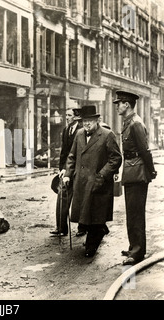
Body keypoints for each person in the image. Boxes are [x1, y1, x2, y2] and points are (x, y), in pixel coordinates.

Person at [63, 105, 122, 257]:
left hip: (98, 182)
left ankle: (91, 245)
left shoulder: (107, 135)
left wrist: (102, 175)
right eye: (84, 121)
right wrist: (68, 173)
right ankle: (99, 231)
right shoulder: (79, 134)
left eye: (90, 121)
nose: (87, 124)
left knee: (95, 214)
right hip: (81, 182)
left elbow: (116, 158)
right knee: (85, 216)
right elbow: (72, 156)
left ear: (97, 121)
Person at [113, 91, 157, 265]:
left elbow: (145, 150)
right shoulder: (129, 122)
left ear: (127, 104)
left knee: (136, 213)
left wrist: (151, 171)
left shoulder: (135, 123)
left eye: (119, 103)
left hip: (137, 173)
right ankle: (134, 247)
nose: (117, 106)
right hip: (132, 171)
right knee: (131, 212)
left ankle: (138, 252)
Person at [50, 107, 83, 237]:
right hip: (67, 169)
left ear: (75, 117)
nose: (67, 117)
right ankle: (61, 227)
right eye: (67, 115)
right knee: (62, 196)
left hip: (79, 169)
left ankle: (82, 227)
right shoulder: (66, 130)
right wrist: (62, 168)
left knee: (80, 199)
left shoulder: (81, 130)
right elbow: (64, 151)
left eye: (69, 115)